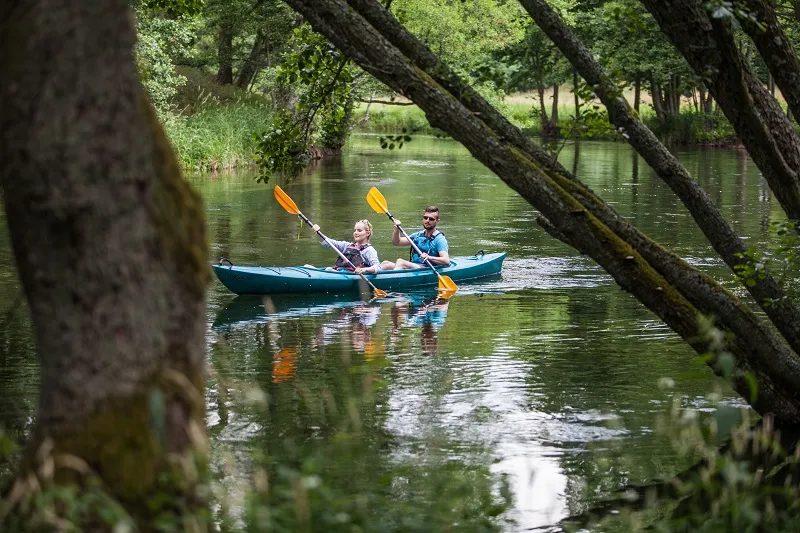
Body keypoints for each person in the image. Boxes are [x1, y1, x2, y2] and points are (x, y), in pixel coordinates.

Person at [381, 206, 450, 270]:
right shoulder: (419, 235)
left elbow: (446, 260)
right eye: (425, 218)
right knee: (386, 264)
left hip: (427, 269)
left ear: (437, 221)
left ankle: (393, 281)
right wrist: (396, 229)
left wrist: (429, 257)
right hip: (414, 266)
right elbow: (397, 242)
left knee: (400, 262)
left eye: (431, 219)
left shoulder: (439, 239)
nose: (427, 221)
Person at [307, 219, 381, 275]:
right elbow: (328, 243)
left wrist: (365, 270)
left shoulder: (369, 250)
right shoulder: (347, 246)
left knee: (328, 269)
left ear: (367, 233)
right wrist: (318, 232)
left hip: (350, 275)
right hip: (338, 272)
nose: (356, 232)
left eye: (359, 230)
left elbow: (378, 267)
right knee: (307, 266)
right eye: (355, 230)